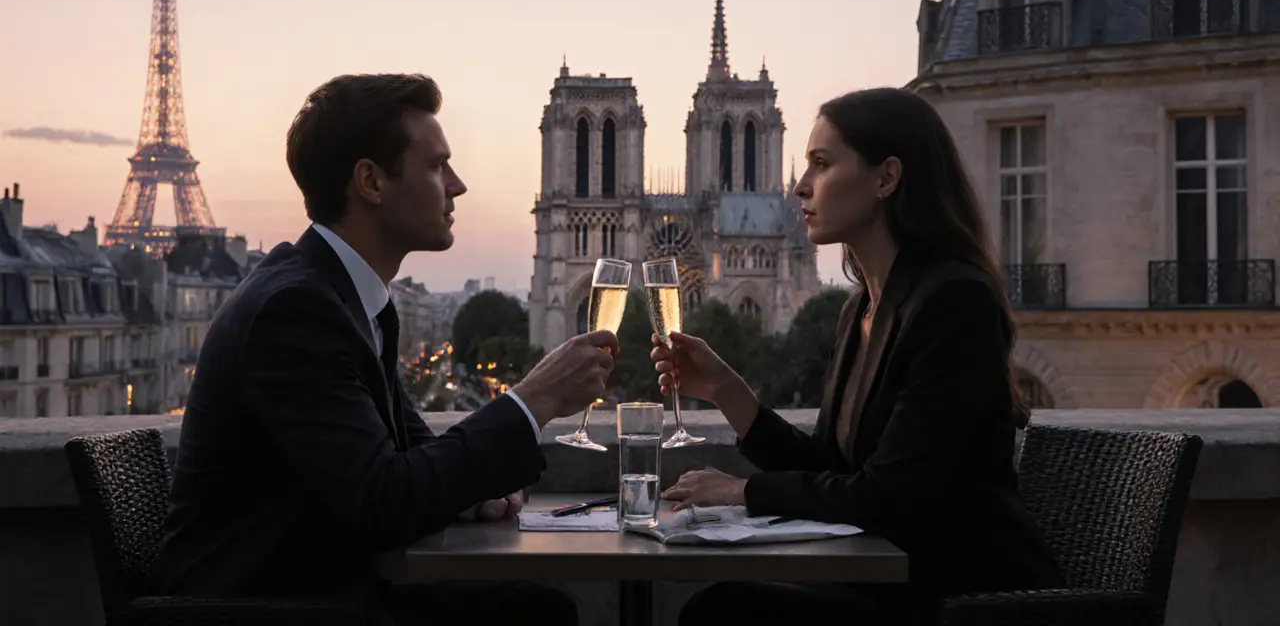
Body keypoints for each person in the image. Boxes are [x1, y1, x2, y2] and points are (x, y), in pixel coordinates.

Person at [151, 74, 615, 625]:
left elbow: (405, 465)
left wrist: (464, 489)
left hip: (314, 588)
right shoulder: (297, 310)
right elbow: (384, 500)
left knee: (535, 605)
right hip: (267, 608)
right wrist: (532, 400)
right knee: (536, 610)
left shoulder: (347, 298)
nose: (457, 185)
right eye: (437, 165)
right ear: (371, 182)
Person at [650, 87, 1064, 625]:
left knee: (724, 611)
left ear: (886, 178)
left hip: (965, 600)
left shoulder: (954, 302)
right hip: (894, 585)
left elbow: (888, 496)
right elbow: (833, 468)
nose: (800, 185)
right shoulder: (863, 308)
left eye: (821, 164)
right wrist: (728, 391)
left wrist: (742, 490)